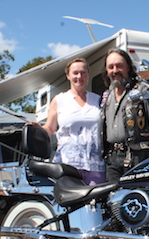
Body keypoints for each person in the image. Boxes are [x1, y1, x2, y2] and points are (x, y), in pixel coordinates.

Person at [36, 57, 105, 185]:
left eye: (83, 73)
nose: (79, 76)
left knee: (96, 203)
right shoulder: (59, 100)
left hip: (95, 165)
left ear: (88, 75)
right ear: (68, 75)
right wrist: (38, 129)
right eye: (75, 73)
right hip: (67, 165)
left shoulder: (97, 100)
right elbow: (50, 128)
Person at [100, 48, 149, 182]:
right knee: (113, 200)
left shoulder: (142, 90)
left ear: (128, 67)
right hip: (113, 159)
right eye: (110, 67)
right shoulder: (107, 96)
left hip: (138, 156)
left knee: (137, 198)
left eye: (119, 66)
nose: (115, 70)